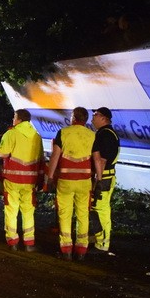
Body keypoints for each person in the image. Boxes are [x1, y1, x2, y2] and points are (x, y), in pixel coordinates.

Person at [0, 109, 45, 251]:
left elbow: (3, 153)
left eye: (14, 117)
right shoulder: (37, 136)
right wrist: (40, 180)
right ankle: (29, 243)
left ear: (19, 119)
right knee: (28, 211)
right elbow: (40, 160)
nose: (13, 120)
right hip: (30, 181)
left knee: (11, 210)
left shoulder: (11, 134)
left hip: (13, 180)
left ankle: (13, 241)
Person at [46, 107, 95, 261]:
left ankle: (66, 250)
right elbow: (97, 158)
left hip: (66, 181)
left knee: (65, 215)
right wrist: (98, 178)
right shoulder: (92, 135)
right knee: (83, 214)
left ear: (73, 117)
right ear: (85, 120)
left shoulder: (63, 133)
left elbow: (55, 155)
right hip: (84, 181)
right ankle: (81, 250)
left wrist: (50, 176)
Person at [90, 107, 121, 254]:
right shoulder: (107, 134)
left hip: (104, 177)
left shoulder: (105, 135)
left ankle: (102, 244)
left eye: (95, 115)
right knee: (99, 209)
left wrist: (98, 180)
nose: (92, 118)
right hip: (106, 176)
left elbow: (101, 160)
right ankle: (100, 240)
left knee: (100, 210)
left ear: (103, 118)